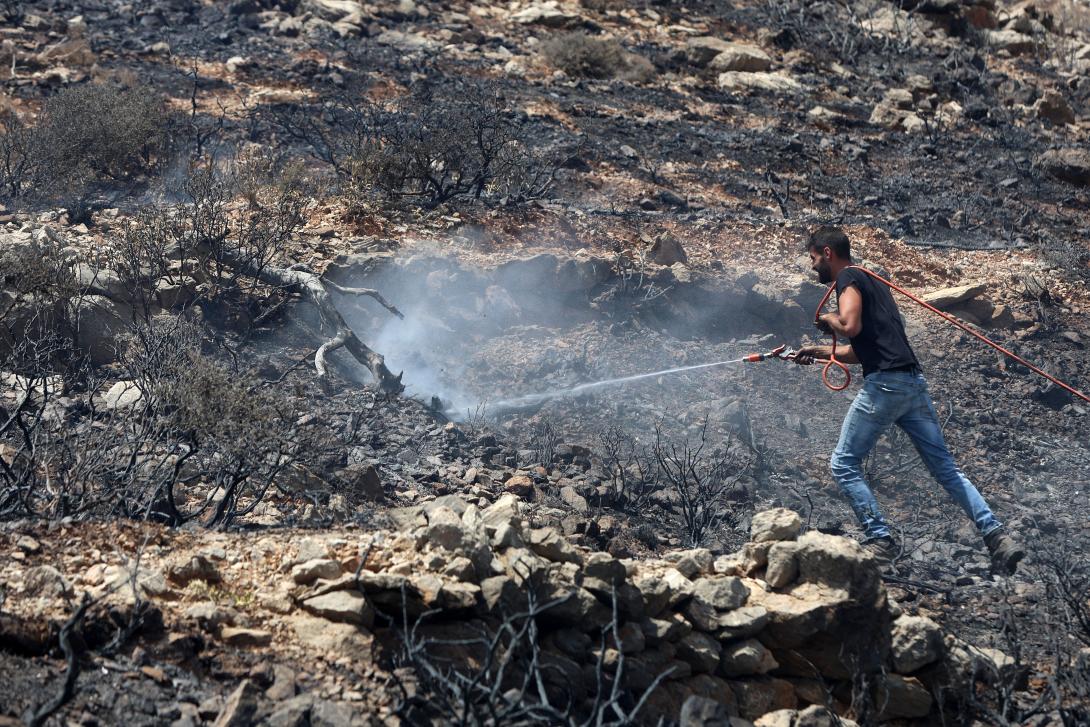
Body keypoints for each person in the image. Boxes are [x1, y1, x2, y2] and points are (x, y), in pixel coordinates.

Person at [794, 226, 1025, 575]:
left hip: (885, 386)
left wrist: (828, 319)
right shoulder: (875, 283)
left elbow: (850, 325)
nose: (813, 267)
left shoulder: (848, 279)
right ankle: (997, 537)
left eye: (813, 259)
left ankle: (880, 539)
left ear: (827, 253)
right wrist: (819, 351)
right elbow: (861, 349)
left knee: (842, 464)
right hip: (912, 384)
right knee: (947, 470)